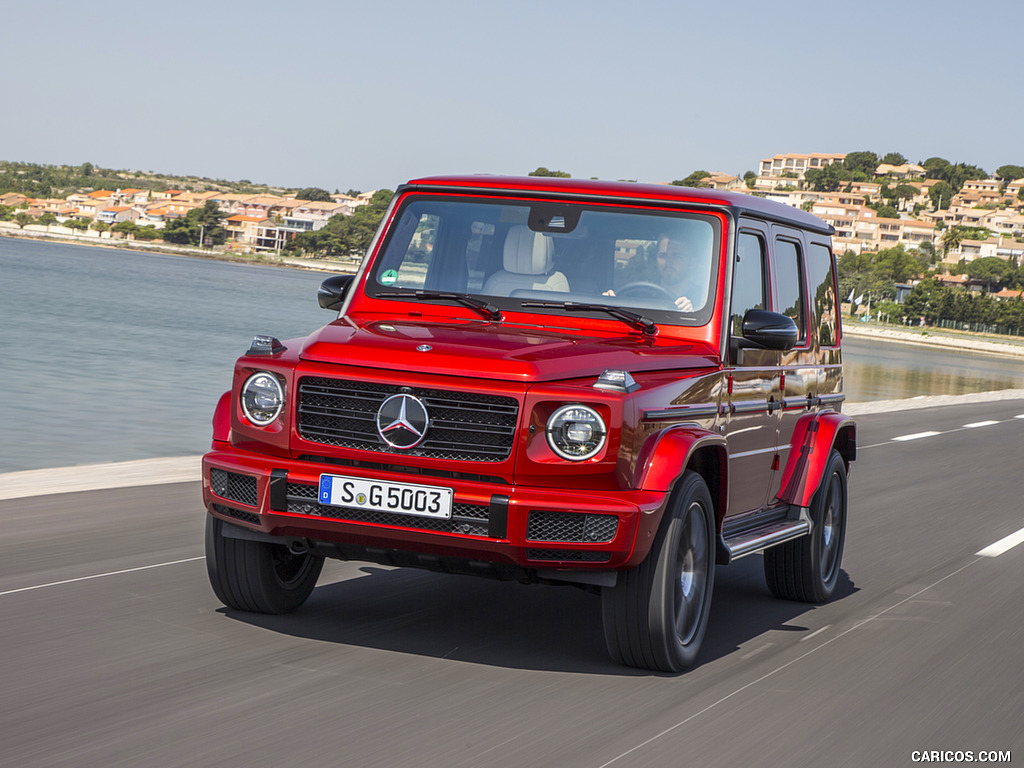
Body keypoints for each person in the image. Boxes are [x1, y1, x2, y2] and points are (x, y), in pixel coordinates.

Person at [604, 235, 701, 311]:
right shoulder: (641, 293)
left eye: (676, 256)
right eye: (663, 255)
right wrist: (609, 303)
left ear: (692, 263)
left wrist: (691, 314)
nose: (668, 262)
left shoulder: (702, 301)